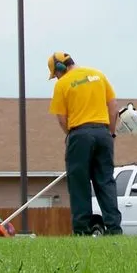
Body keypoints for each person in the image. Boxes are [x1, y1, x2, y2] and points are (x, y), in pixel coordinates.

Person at [47, 51, 123, 235]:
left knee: (79, 183)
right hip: (103, 133)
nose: (56, 78)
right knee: (105, 180)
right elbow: (113, 106)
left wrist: (72, 135)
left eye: (55, 74)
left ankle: (82, 230)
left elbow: (61, 118)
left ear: (59, 67)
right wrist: (110, 132)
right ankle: (114, 228)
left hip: (79, 134)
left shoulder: (63, 84)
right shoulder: (98, 75)